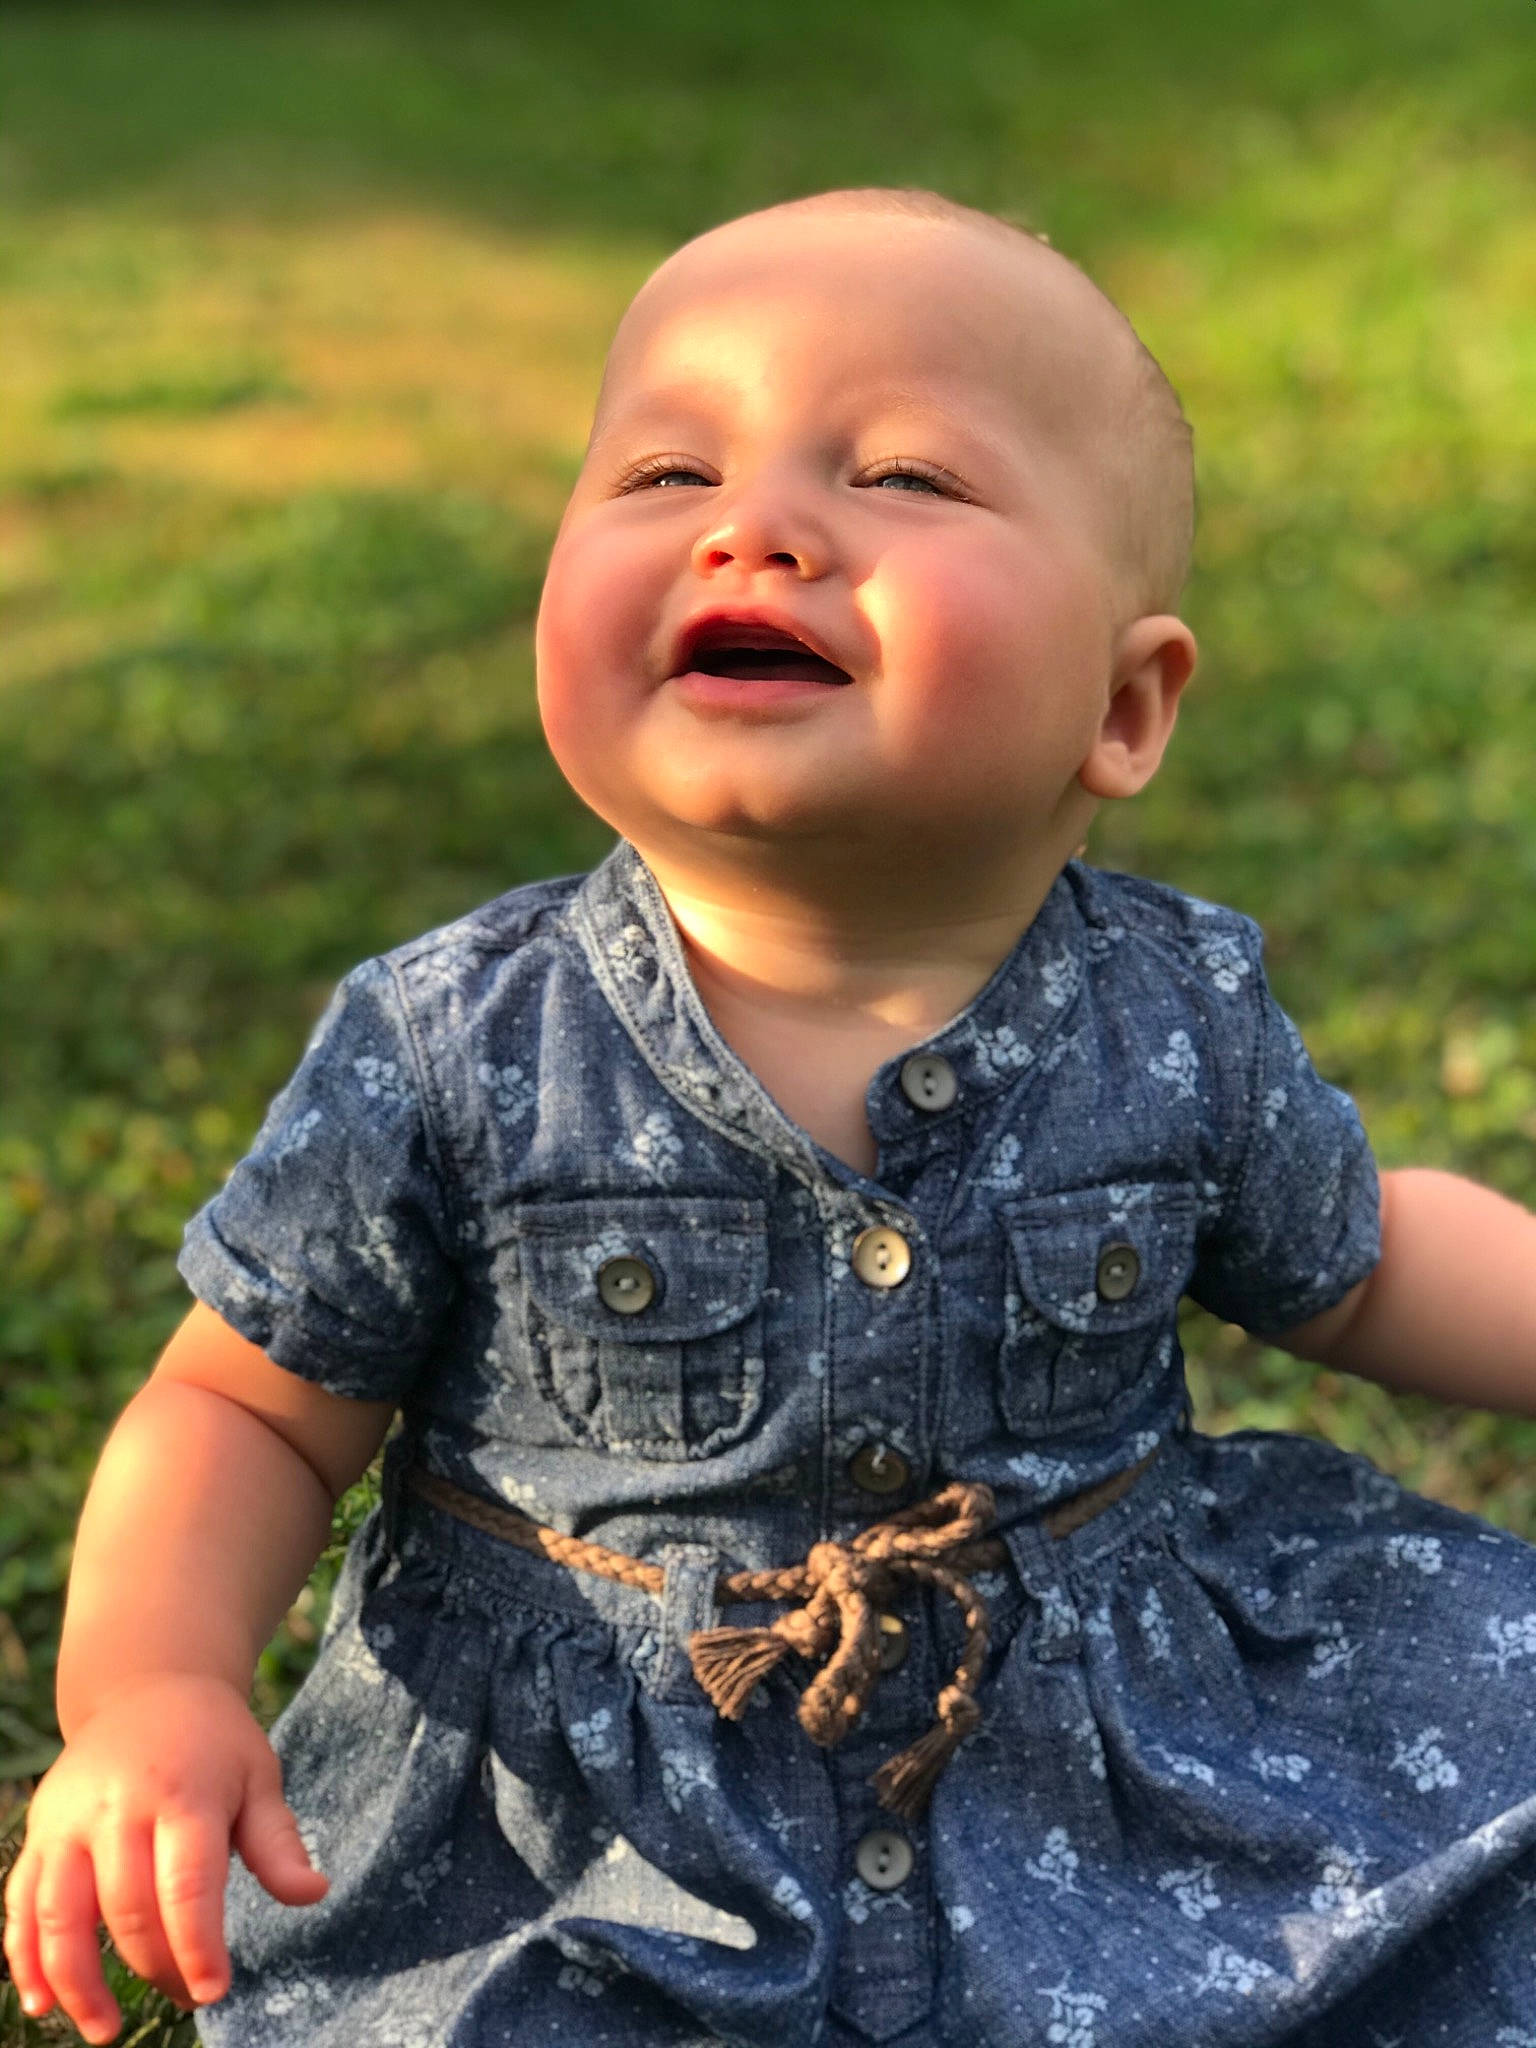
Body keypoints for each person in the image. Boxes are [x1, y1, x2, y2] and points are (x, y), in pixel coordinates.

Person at [6, 183, 1536, 2048]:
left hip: (1108, 1780)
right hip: (584, 1838)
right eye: (663, 473)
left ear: (1125, 706)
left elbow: (1363, 1268)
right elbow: (242, 1402)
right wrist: (152, 1686)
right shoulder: (458, 1041)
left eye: (904, 476)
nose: (758, 526)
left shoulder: (1176, 1016)